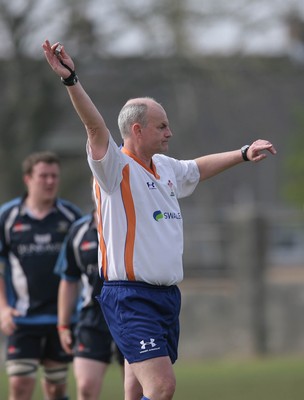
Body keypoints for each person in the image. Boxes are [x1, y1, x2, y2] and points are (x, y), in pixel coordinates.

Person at [42, 40, 277, 400]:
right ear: (137, 130)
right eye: (162, 126)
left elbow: (197, 168)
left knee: (136, 390)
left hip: (166, 297)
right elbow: (94, 128)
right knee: (162, 387)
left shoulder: (165, 168)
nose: (169, 133)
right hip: (131, 296)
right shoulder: (114, 167)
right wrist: (72, 80)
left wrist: (243, 153)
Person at [0, 151, 82, 400]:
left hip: (61, 320)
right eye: (43, 176)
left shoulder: (71, 218)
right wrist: (2, 308)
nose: (50, 182)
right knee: (20, 385)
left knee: (56, 388)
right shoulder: (8, 217)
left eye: (54, 176)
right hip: (22, 318)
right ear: (28, 179)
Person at [55, 208, 128, 400]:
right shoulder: (79, 231)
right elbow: (69, 279)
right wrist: (63, 326)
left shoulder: (130, 221)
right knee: (86, 387)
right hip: (92, 317)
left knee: (135, 390)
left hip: (129, 313)